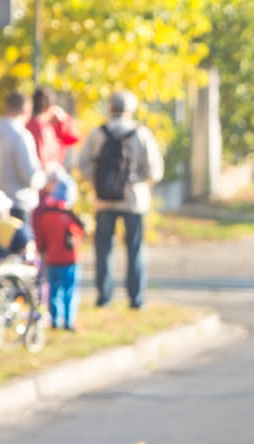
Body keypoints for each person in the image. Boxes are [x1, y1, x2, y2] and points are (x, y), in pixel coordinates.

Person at [78, 90, 164, 310]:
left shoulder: (98, 133)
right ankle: (136, 298)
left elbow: (83, 163)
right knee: (135, 248)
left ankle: (104, 296)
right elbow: (155, 170)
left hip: (103, 199)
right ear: (131, 109)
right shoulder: (141, 133)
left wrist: (98, 182)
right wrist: (138, 182)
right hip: (134, 199)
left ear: (109, 108)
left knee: (103, 248)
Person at [31, 172, 89, 331]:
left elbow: (40, 239)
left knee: (54, 291)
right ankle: (68, 322)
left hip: (52, 259)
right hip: (70, 260)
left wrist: (42, 251)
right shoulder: (70, 216)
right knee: (70, 292)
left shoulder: (45, 216)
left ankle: (55, 320)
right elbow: (80, 233)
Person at [0, 90, 45, 221]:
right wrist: (43, 178)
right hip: (18, 202)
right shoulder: (20, 135)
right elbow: (30, 176)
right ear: (26, 110)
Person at [26, 87, 82, 172]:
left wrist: (63, 120)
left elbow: (73, 138)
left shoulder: (53, 122)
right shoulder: (37, 125)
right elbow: (43, 156)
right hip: (44, 173)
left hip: (50, 170)